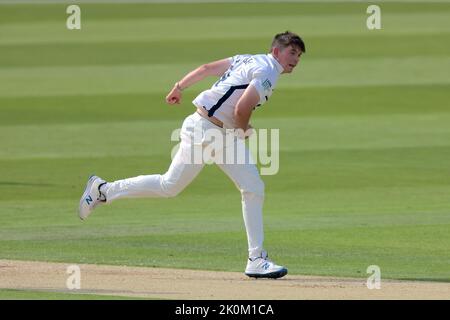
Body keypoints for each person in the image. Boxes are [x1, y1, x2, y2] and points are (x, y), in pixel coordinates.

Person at [79, 31, 305, 279]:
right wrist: (244, 131)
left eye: (299, 55)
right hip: (210, 131)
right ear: (276, 52)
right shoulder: (269, 70)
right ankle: (103, 190)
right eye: (291, 52)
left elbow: (207, 68)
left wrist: (179, 87)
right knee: (241, 187)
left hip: (208, 127)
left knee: (181, 186)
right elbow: (242, 108)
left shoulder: (247, 59)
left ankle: (102, 190)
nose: (295, 59)